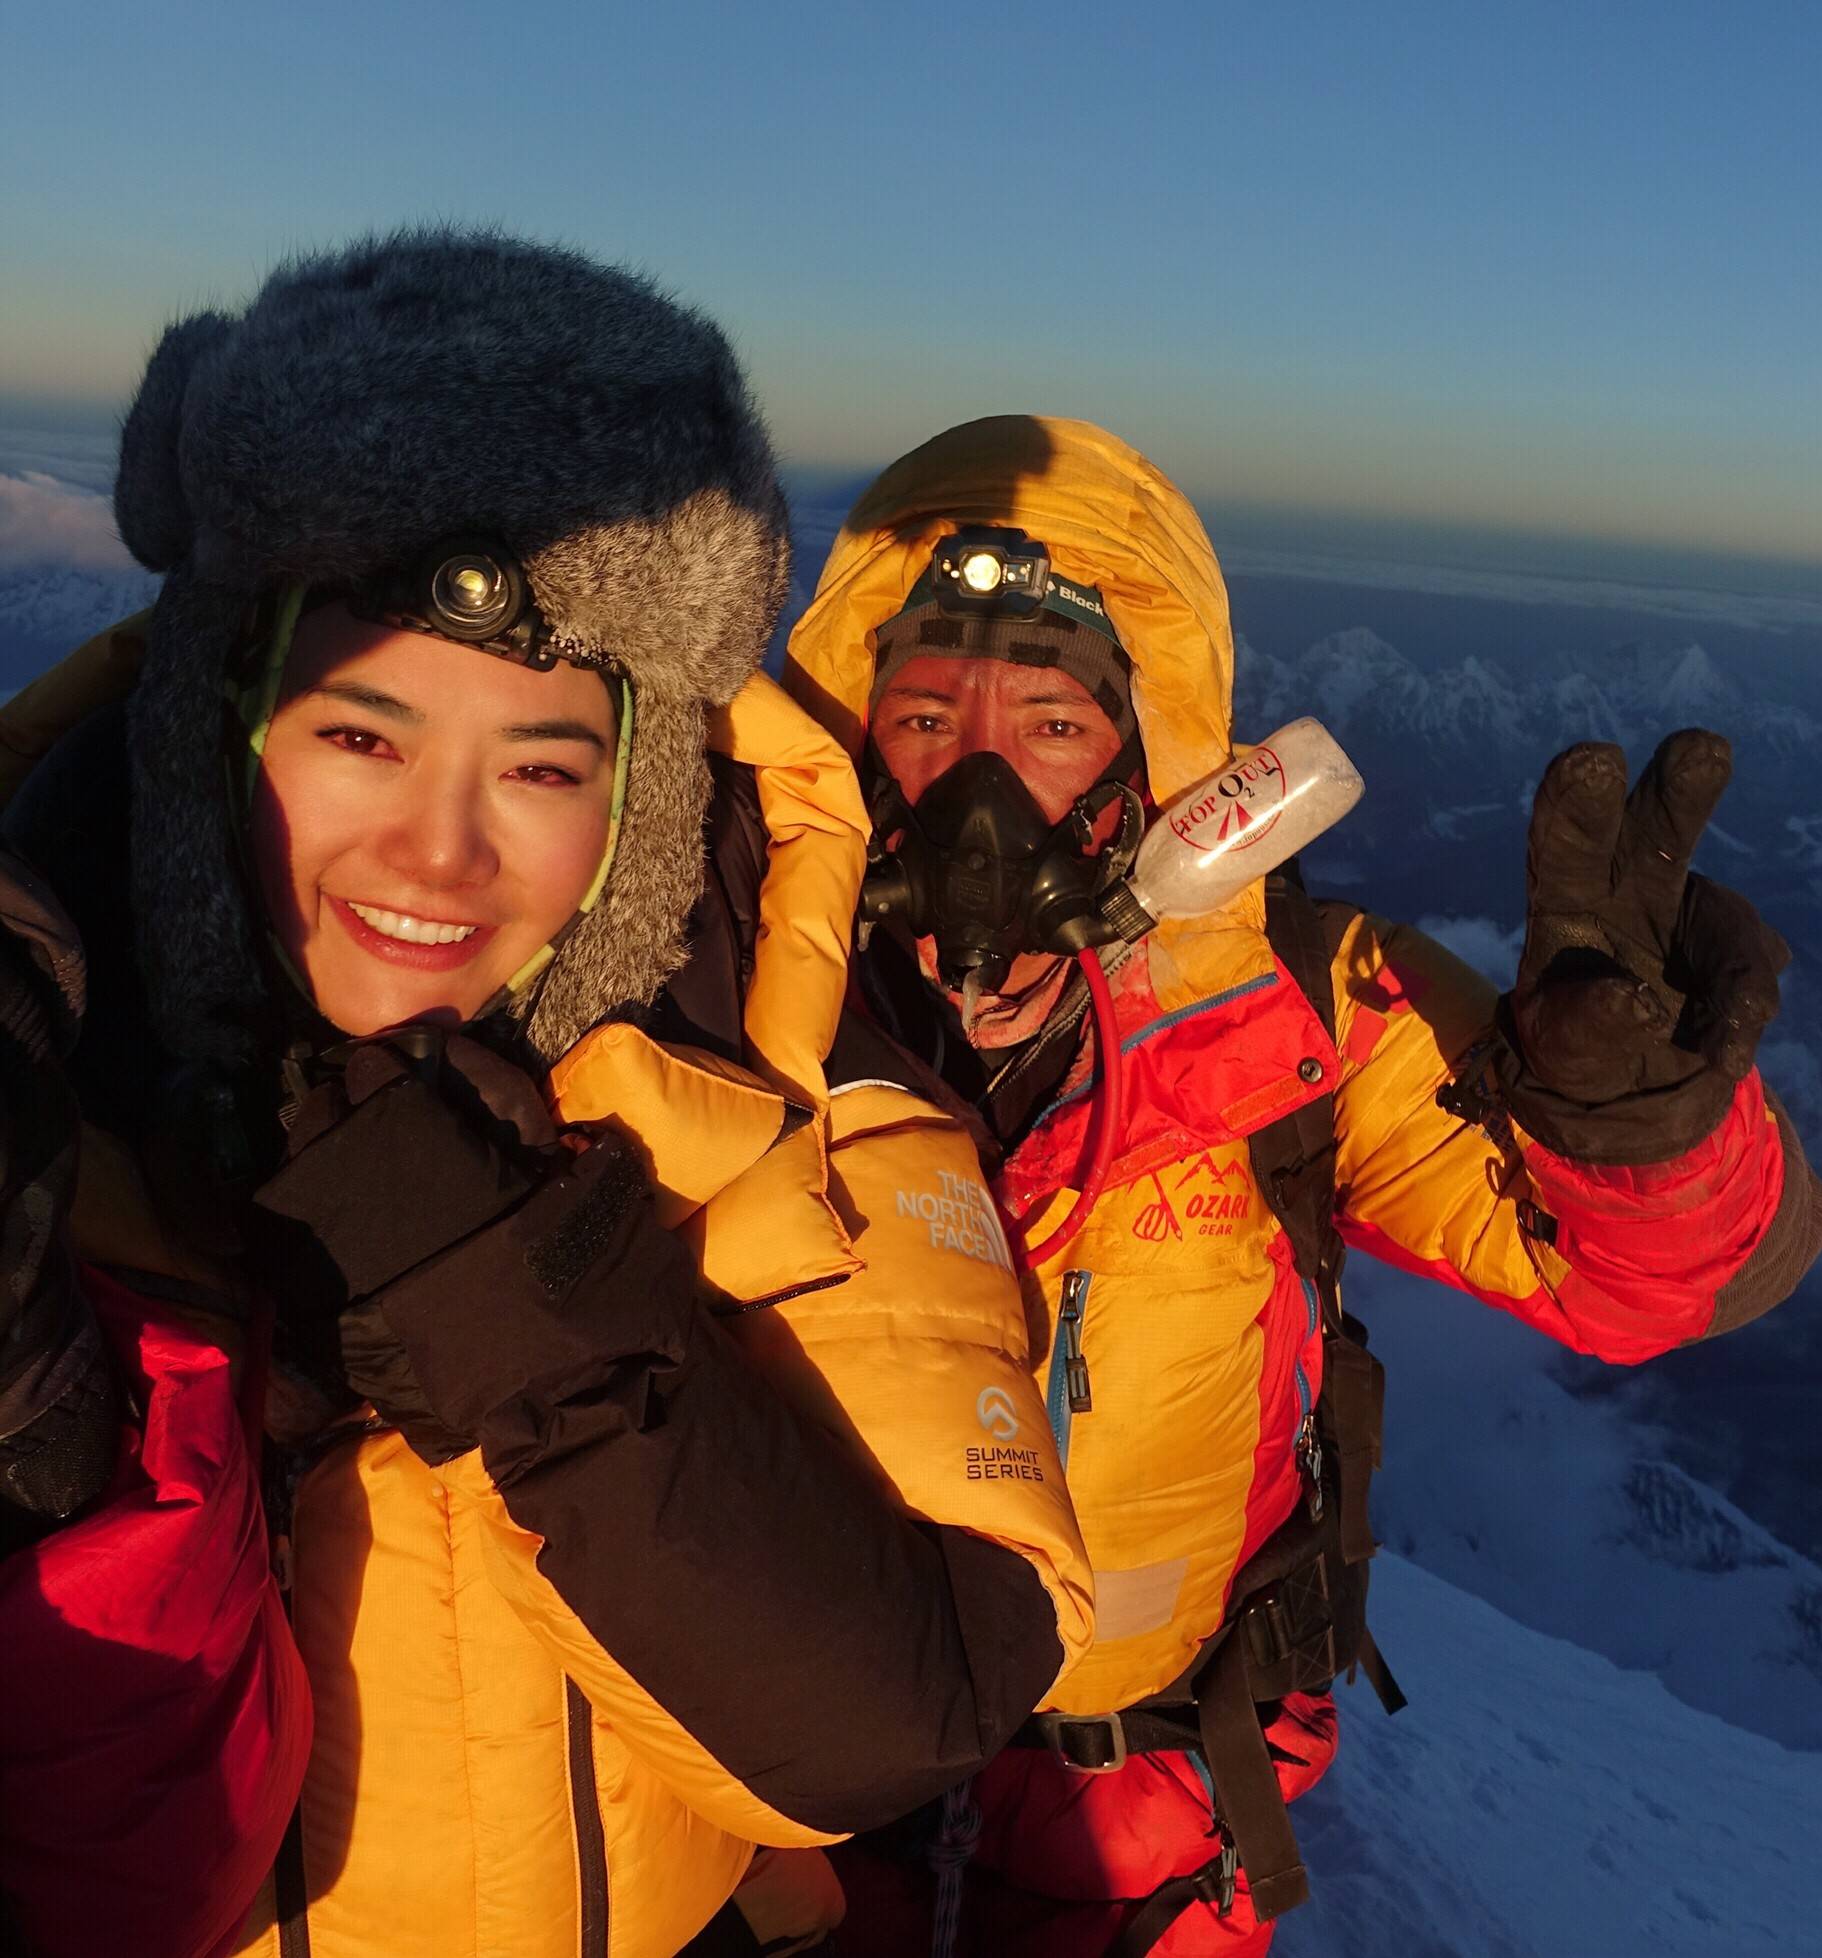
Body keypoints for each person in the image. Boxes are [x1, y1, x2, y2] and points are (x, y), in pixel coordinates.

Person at [0, 236, 1092, 1958]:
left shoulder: (781, 1074)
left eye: (539, 768)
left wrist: (525, 1296)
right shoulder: (47, 1076)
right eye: (358, 737)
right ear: (221, 731)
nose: (439, 851)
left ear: (641, 812)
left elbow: (925, 1690)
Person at [779, 416, 1822, 1956]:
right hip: (796, 1813)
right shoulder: (752, 1012)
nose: (980, 789)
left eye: (1055, 726)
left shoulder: (1298, 1013)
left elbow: (1642, 1282)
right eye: (927, 713)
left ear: (1151, 763)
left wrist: (1641, 1132)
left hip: (1151, 1847)